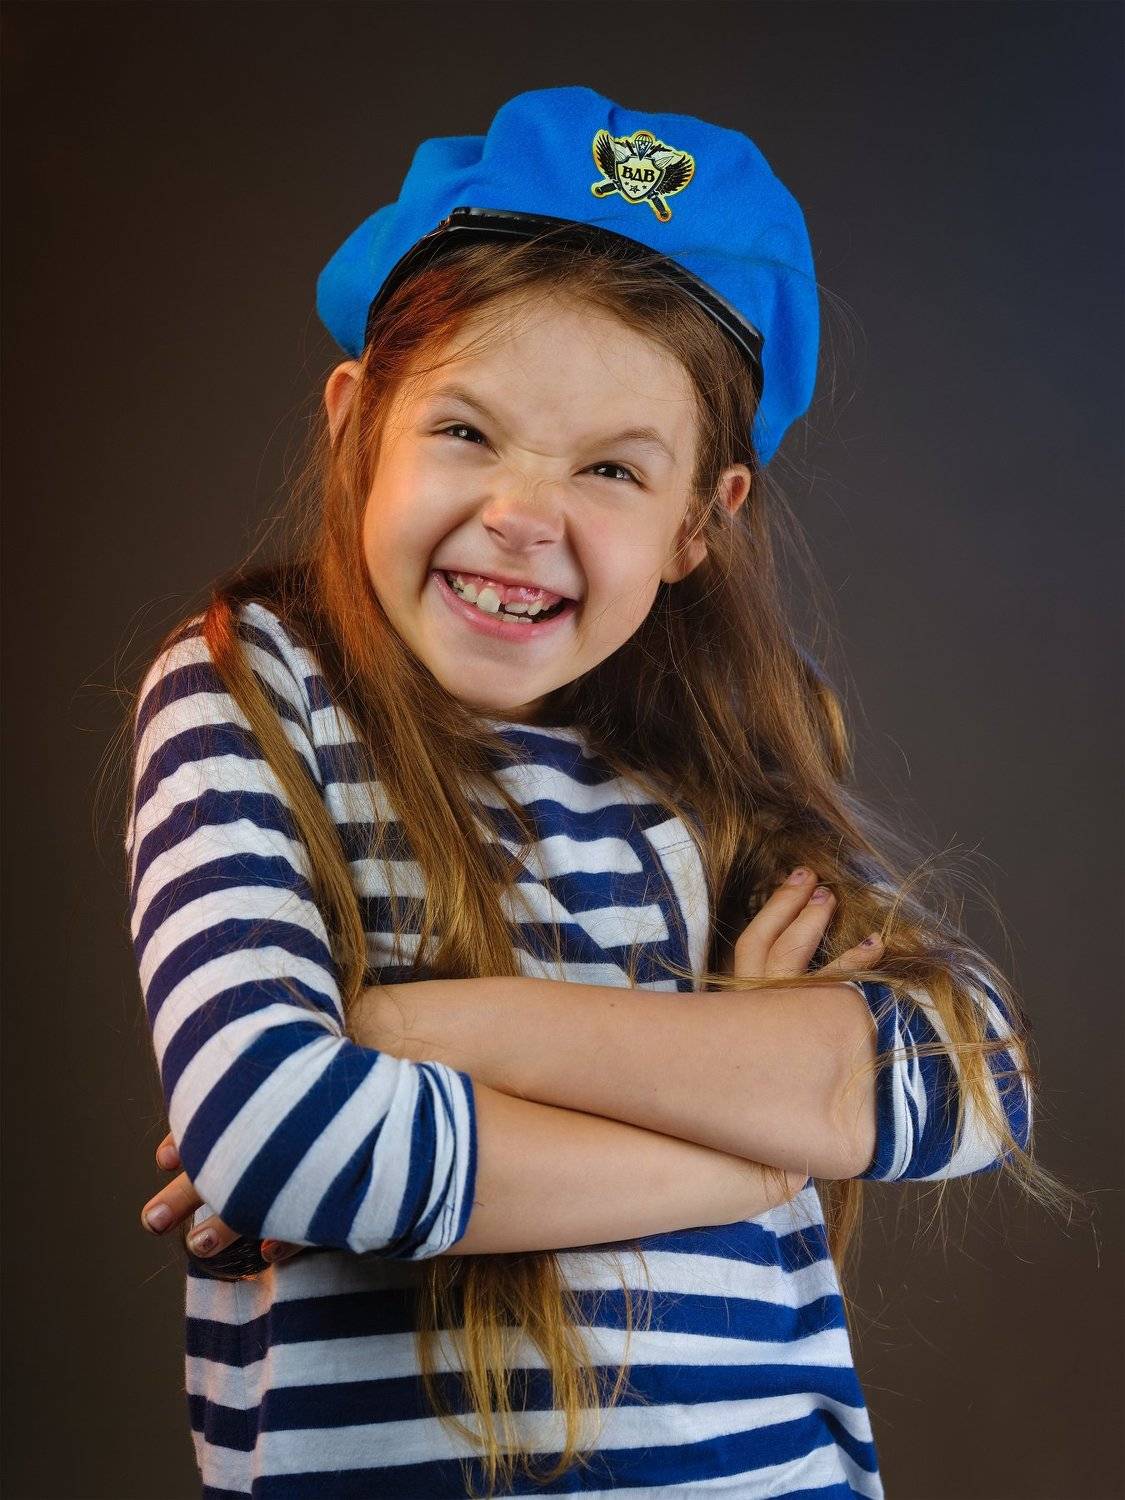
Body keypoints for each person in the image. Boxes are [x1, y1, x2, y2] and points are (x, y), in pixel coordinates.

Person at [124, 85, 1060, 1499]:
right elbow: (279, 1139)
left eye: (612, 467)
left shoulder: (717, 760)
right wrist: (758, 1151)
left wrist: (416, 1028)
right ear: (358, 423)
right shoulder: (256, 689)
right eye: (466, 432)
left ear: (698, 522)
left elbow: (971, 1079)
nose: (522, 514)